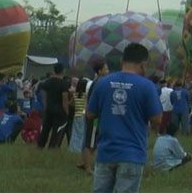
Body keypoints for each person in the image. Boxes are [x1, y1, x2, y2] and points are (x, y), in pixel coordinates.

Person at [86, 43, 163, 193]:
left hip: (105, 151)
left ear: (122, 60)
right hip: (132, 154)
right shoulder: (147, 86)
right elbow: (157, 119)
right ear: (143, 64)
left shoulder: (103, 83)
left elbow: (90, 114)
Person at [80, 61, 108, 174]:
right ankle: (87, 168)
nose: (108, 71)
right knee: (90, 143)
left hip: (95, 116)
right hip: (94, 117)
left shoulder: (98, 82)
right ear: (100, 71)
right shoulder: (99, 83)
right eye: (106, 69)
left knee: (93, 143)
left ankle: (86, 163)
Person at [37, 63, 70, 149]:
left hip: (49, 109)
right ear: (63, 71)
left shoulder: (48, 81)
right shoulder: (64, 84)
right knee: (57, 131)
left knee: (45, 129)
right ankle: (51, 147)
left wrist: (45, 104)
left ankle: (40, 146)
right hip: (59, 111)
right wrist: (67, 112)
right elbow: (65, 100)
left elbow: (43, 92)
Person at [68, 78, 88, 155]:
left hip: (77, 115)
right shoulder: (86, 95)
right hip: (83, 115)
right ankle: (80, 149)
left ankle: (73, 149)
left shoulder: (75, 95)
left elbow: (70, 103)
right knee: (82, 133)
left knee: (75, 132)